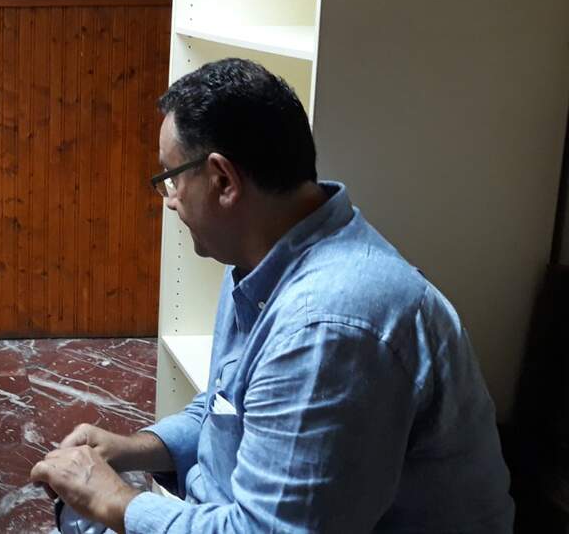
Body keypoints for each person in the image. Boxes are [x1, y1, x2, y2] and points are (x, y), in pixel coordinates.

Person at [30, 58, 514, 532]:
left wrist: (115, 501)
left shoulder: (328, 327)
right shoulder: (260, 256)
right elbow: (226, 410)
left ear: (223, 180)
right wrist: (134, 447)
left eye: (172, 177)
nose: (171, 199)